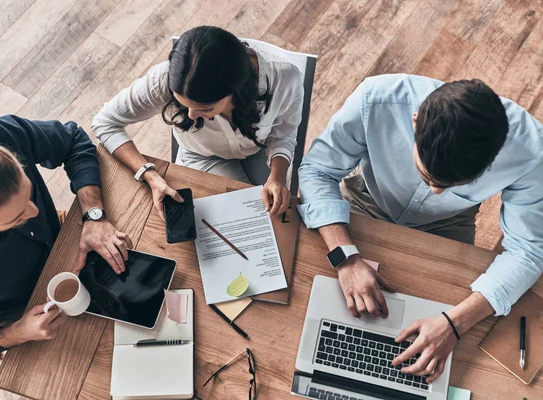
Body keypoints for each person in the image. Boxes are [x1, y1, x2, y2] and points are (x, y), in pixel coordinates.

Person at [298, 74, 543, 383]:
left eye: (452, 186)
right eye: (427, 177)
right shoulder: (375, 98)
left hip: (449, 224)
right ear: (415, 122)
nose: (437, 192)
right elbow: (317, 170)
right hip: (366, 199)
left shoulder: (531, 153)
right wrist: (344, 257)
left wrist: (454, 324)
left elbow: (529, 250)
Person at [0, 115, 133, 370]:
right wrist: (15, 333)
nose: (35, 212)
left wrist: (94, 215)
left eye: (29, 191)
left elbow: (73, 141)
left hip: (67, 238)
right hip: (26, 307)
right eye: (17, 217)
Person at [92, 25, 303, 219]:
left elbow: (284, 133)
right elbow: (105, 122)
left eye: (206, 109)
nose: (191, 116)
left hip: (261, 151)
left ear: (236, 92)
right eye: (183, 104)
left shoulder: (284, 80)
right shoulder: (162, 79)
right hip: (201, 156)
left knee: (269, 223)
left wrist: (277, 176)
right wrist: (147, 173)